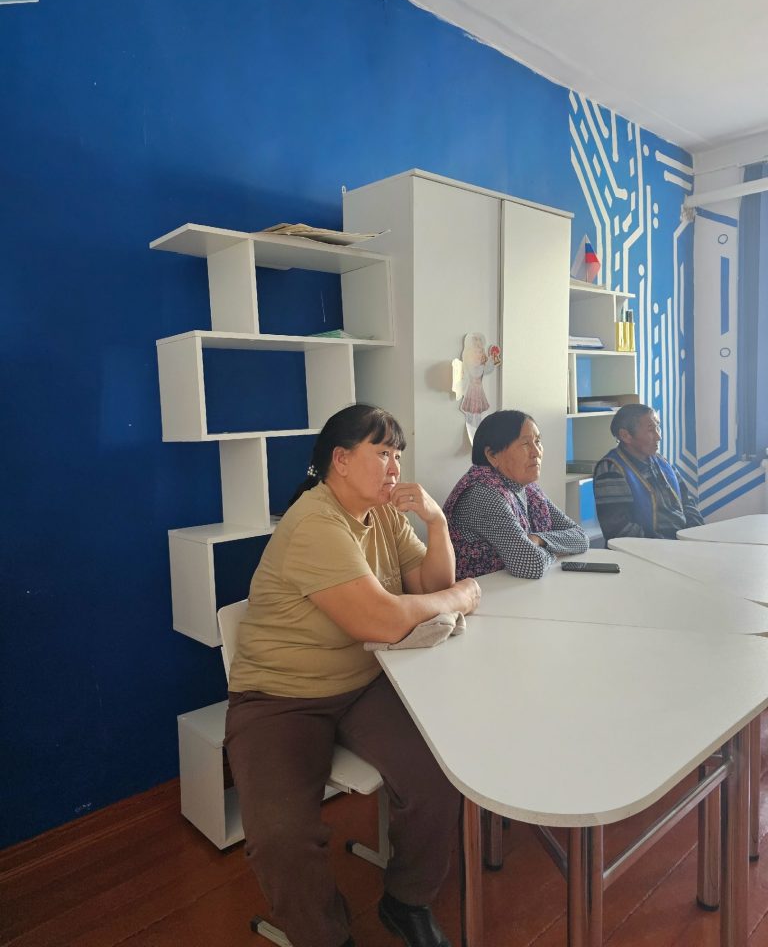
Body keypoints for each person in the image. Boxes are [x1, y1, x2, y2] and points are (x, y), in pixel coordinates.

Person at [225, 404, 480, 947]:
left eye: (398, 454)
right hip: (279, 696)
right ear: (340, 460)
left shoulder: (383, 514)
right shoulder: (315, 523)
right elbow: (385, 621)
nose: (395, 467)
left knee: (438, 776)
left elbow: (428, 584)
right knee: (281, 835)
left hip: (364, 683)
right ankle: (325, 936)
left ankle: (406, 900)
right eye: (382, 453)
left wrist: (437, 522)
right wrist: (460, 598)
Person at [443, 410, 589, 580]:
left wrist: (539, 539)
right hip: (483, 593)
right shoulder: (482, 493)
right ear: (492, 455)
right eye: (525, 444)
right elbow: (530, 564)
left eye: (538, 441)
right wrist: (557, 549)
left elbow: (580, 537)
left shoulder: (527, 488)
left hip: (515, 589)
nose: (536, 452)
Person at [593, 403, 704, 541]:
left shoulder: (662, 462)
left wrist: (695, 535)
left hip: (680, 544)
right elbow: (618, 530)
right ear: (625, 435)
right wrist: (666, 546)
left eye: (658, 427)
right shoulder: (611, 469)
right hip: (646, 550)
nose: (658, 436)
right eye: (651, 430)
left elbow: (687, 503)